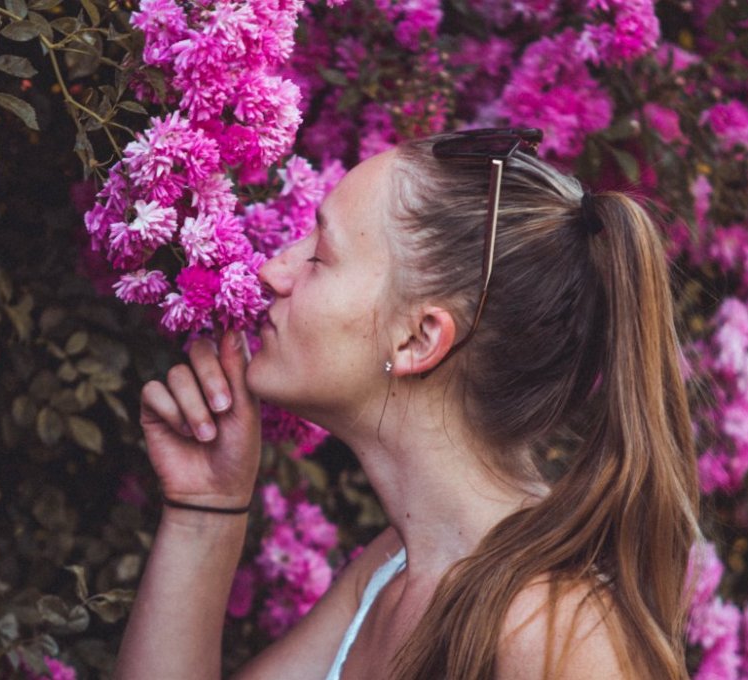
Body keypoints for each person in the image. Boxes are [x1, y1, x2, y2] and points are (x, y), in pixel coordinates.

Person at [116, 128, 700, 679]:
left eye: (319, 255)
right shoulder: (395, 569)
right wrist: (205, 511)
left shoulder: (559, 633)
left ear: (420, 339)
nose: (273, 270)